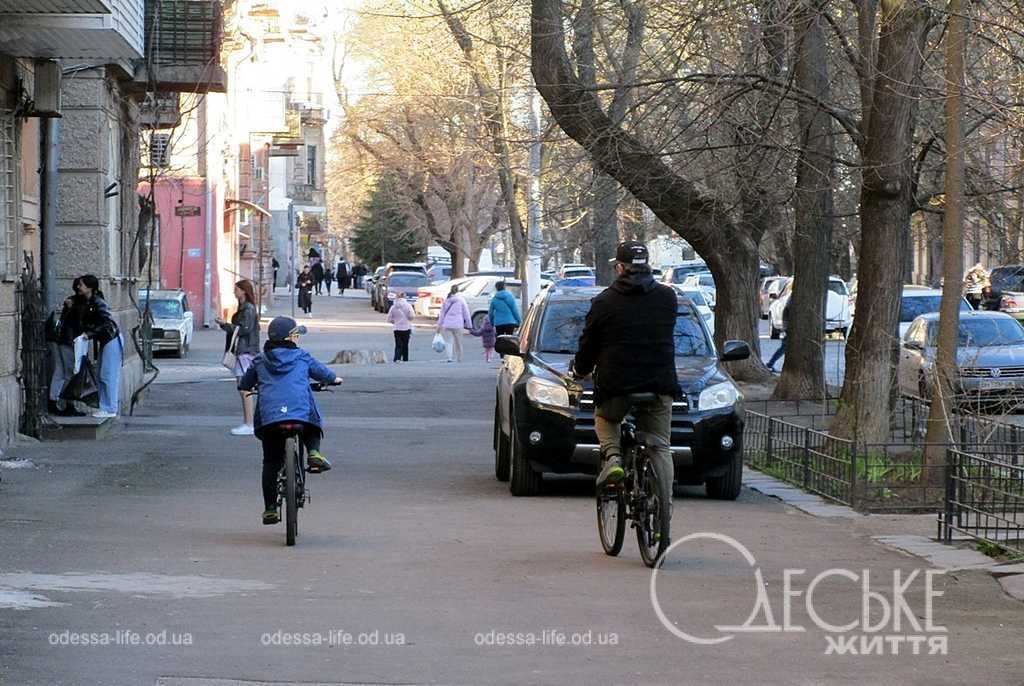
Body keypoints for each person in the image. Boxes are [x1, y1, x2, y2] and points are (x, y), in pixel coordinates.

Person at [570, 241, 678, 489]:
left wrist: (580, 370)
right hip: (659, 382)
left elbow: (589, 344)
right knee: (660, 445)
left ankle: (613, 458)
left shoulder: (604, 301)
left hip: (617, 384)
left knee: (605, 418)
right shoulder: (667, 297)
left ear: (619, 268)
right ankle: (664, 509)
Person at [238, 316, 342, 525]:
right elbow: (326, 374)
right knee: (311, 420)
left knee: (270, 462)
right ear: (291, 338)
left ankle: (269, 509)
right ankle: (313, 453)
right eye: (296, 335)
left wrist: (252, 386)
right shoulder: (302, 356)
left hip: (271, 419)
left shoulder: (260, 359)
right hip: (299, 414)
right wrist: (335, 379)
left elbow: (245, 384)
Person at [216, 280, 261, 436]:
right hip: (243, 350)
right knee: (243, 388)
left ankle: (249, 423)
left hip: (246, 351)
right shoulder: (245, 308)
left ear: (243, 291)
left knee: (245, 388)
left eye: (236, 289)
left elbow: (244, 330)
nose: (234, 292)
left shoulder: (248, 309)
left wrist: (225, 325)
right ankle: (247, 422)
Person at [76, 275, 124, 419]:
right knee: (102, 374)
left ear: (90, 288)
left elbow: (106, 323)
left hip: (111, 339)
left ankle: (110, 408)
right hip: (107, 340)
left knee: (108, 374)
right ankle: (105, 407)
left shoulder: (97, 302)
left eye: (81, 285)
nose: (79, 287)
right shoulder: (91, 301)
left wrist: (89, 334)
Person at [47, 278, 87, 416]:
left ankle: (54, 401)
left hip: (60, 338)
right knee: (70, 372)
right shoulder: (78, 303)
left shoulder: (72, 301)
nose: (79, 287)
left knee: (60, 371)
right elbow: (80, 323)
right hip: (68, 340)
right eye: (79, 285)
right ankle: (62, 400)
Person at [436, 284, 472, 363]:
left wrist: (439, 325)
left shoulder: (447, 300)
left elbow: (442, 314)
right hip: (458, 324)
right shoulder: (461, 300)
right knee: (458, 342)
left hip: (447, 324)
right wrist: (469, 325)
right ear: (458, 290)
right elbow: (466, 313)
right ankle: (459, 358)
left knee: (448, 342)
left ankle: (449, 358)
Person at [386, 291, 415, 362]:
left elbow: (389, 318)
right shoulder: (408, 305)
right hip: (406, 328)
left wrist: (394, 321)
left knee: (398, 344)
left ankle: (397, 358)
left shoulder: (393, 307)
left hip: (397, 328)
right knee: (405, 344)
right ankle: (405, 358)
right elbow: (411, 316)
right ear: (404, 297)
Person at [765, 300, 790, 373]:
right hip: (790, 327)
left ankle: (770, 363)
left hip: (789, 327)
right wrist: (786, 327)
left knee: (784, 348)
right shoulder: (791, 300)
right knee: (784, 348)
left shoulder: (790, 299)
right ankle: (770, 364)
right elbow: (786, 313)